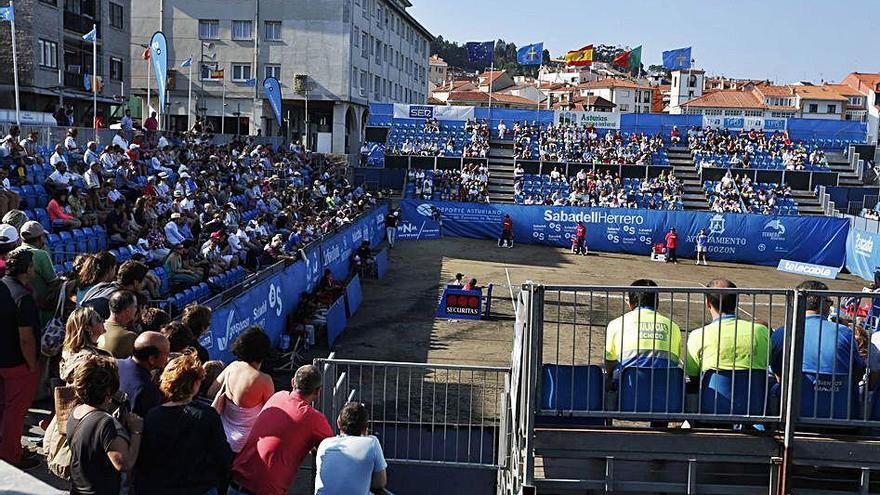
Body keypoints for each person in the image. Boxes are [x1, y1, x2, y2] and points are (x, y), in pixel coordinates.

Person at [135, 352, 233, 495]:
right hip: (198, 488)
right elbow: (222, 457)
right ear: (195, 383)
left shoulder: (152, 415)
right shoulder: (207, 416)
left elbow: (145, 459)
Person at [229, 364, 333, 495]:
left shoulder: (278, 396)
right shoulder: (314, 419)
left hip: (236, 481)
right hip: (266, 490)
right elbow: (332, 449)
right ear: (318, 391)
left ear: (293, 382)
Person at [770, 281, 865, 414]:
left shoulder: (784, 331)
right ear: (824, 304)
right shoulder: (844, 332)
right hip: (839, 411)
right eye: (829, 302)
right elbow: (858, 369)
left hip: (795, 411)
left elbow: (776, 369)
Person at [67, 355, 142, 495]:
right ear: (109, 391)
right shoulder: (105, 423)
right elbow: (124, 463)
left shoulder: (76, 411)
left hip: (78, 488)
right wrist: (136, 431)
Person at [0, 250, 41, 469]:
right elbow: (26, 338)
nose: (34, 268)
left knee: (4, 409)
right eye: (32, 265)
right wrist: (32, 364)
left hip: (3, 359)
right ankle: (11, 456)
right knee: (15, 413)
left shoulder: (3, 287)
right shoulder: (22, 297)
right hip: (18, 364)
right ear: (26, 269)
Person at [207, 326, 275, 453]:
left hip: (220, 436)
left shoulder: (232, 367)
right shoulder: (264, 380)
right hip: (245, 446)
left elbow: (211, 393)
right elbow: (270, 415)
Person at [685, 279, 771, 379]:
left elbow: (692, 375)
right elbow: (768, 363)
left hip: (714, 394)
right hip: (755, 393)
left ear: (708, 303)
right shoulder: (761, 331)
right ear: (736, 302)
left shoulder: (698, 335)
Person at [605, 279, 682, 379]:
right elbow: (674, 361)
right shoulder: (673, 326)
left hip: (628, 386)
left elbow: (609, 362)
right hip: (665, 388)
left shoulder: (616, 324)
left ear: (630, 303)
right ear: (657, 302)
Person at [314, 402, 388, 495]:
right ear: (366, 426)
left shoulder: (325, 444)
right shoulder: (372, 442)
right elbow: (380, 483)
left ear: (338, 423)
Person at [117, 332, 171, 417]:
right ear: (152, 359)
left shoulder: (116, 365)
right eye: (166, 354)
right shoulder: (147, 390)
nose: (168, 358)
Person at [97, 290, 139, 359]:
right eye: (135, 306)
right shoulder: (129, 337)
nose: (136, 310)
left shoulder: (97, 328)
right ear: (128, 311)